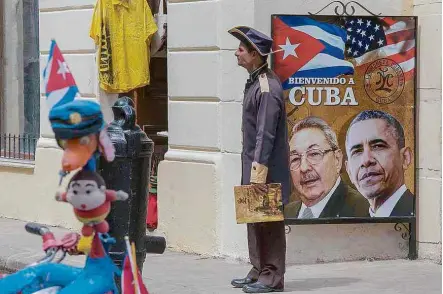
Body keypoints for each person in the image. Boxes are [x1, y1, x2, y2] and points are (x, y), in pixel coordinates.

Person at [228, 26, 291, 293]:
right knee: (254, 218)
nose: (236, 53)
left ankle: (272, 275)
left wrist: (258, 172)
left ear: (255, 54)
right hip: (253, 163)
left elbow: (265, 132)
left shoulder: (266, 87)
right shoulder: (255, 81)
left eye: (241, 50)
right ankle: (258, 268)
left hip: (265, 168)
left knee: (269, 223)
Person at [284, 117, 369, 219]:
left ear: (337, 159)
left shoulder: (365, 211)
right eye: (295, 159)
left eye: (314, 154)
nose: (304, 168)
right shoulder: (286, 214)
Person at [345, 110, 414, 217]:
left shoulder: (424, 215)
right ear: (349, 171)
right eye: (357, 151)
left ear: (405, 158)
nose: (366, 160)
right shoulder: (353, 226)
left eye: (378, 146)